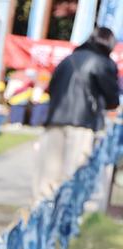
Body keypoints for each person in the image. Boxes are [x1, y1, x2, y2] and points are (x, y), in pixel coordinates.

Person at [35, 26, 120, 201]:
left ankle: (41, 217)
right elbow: (113, 99)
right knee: (72, 176)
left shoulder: (67, 60)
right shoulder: (103, 62)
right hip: (83, 123)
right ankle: (64, 221)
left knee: (46, 180)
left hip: (54, 121)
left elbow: (51, 89)